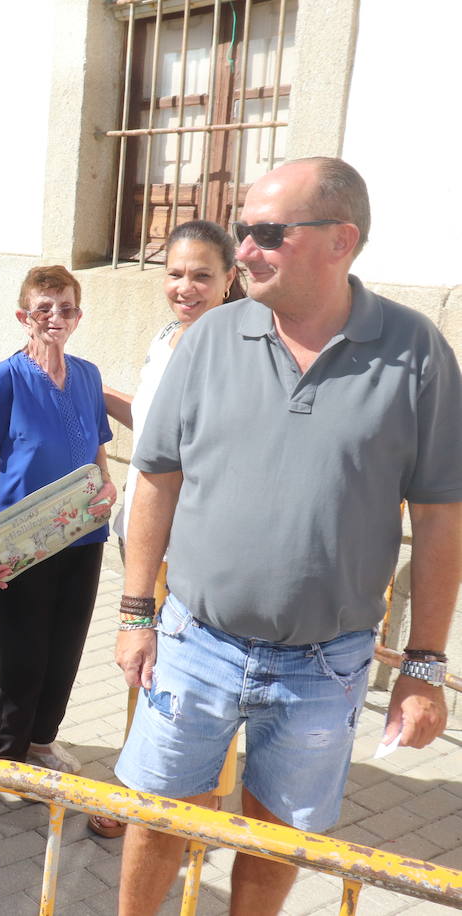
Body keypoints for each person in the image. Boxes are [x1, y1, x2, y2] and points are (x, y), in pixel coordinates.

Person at [114, 157, 462, 915]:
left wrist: (426, 667)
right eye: (244, 230)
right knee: (159, 821)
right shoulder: (207, 340)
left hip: (325, 667)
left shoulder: (417, 355)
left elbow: (440, 518)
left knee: (276, 841)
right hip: (194, 645)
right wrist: (137, 613)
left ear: (342, 240)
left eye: (269, 233)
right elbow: (157, 478)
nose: (244, 250)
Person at [89, 219, 243, 840]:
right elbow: (158, 432)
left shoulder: (234, 348)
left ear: (231, 278)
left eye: (203, 275)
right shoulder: (169, 334)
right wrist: (95, 394)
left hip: (196, 550)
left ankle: (184, 803)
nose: (186, 286)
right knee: (143, 665)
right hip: (145, 540)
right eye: (176, 273)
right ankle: (141, 783)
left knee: (199, 679)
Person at [0, 266, 116, 774]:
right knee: (22, 655)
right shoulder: (3, 378)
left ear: (78, 316)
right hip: (22, 541)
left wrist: (108, 483)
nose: (56, 317)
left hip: (84, 534)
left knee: (65, 648)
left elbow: (98, 447)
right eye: (44, 308)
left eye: (67, 308)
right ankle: (5, 758)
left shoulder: (89, 374)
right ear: (23, 316)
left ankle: (41, 742)